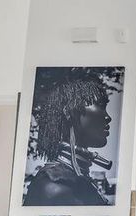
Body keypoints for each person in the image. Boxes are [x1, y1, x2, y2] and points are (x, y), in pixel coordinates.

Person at [24, 69, 115, 206]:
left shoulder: (75, 178)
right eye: (101, 106)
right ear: (70, 112)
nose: (108, 117)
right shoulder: (56, 187)